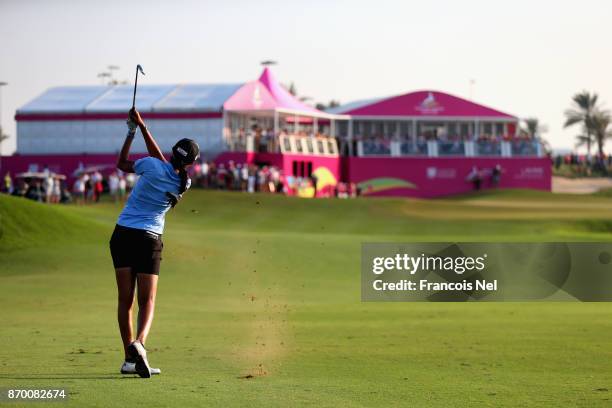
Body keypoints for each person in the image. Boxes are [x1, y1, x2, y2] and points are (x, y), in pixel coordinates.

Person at [110, 108, 199, 379]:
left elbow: (122, 162)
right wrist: (143, 127)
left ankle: (128, 357)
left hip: (122, 235)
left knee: (125, 301)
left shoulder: (150, 165)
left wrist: (133, 130)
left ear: (172, 152)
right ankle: (140, 343)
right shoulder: (184, 183)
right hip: (149, 240)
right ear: (191, 164)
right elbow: (164, 163)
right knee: (147, 300)